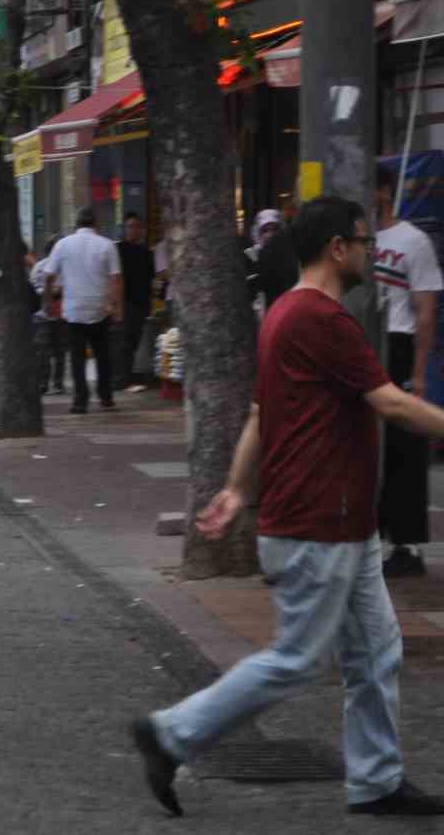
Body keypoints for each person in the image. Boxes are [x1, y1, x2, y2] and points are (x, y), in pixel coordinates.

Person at [132, 194, 444, 820]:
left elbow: (258, 415)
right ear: (338, 248)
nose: (368, 251)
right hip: (316, 522)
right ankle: (173, 733)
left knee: (376, 651)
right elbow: (391, 403)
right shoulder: (320, 321)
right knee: (297, 659)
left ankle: (377, 781)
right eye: (363, 242)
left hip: (343, 523)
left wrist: (237, 489)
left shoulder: (283, 315)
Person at [375, 166, 442, 577]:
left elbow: (426, 309)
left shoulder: (413, 241)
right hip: (363, 340)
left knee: (404, 445)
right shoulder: (353, 241)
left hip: (397, 344)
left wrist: (418, 373)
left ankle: (406, 542)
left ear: (384, 191)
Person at [37, 206, 123, 413]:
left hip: (73, 309)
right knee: (102, 354)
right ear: (96, 224)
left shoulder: (62, 245)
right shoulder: (107, 245)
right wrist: (117, 307)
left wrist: (47, 302)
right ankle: (105, 397)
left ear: (76, 224)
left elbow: (48, 275)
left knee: (77, 356)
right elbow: (116, 279)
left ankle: (80, 401)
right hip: (99, 308)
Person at [117, 212, 155, 393]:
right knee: (125, 342)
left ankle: (127, 377)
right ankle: (124, 379)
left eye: (137, 227)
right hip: (124, 302)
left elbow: (151, 279)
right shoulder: (118, 250)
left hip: (141, 303)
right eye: (130, 226)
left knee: (133, 342)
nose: (133, 230)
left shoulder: (147, 253)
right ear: (124, 229)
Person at [32, 235, 67, 395]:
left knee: (60, 351)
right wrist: (48, 293)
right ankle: (42, 382)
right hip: (43, 315)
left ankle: (58, 383)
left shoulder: (66, 267)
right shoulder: (40, 267)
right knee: (43, 351)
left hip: (61, 314)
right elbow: (34, 287)